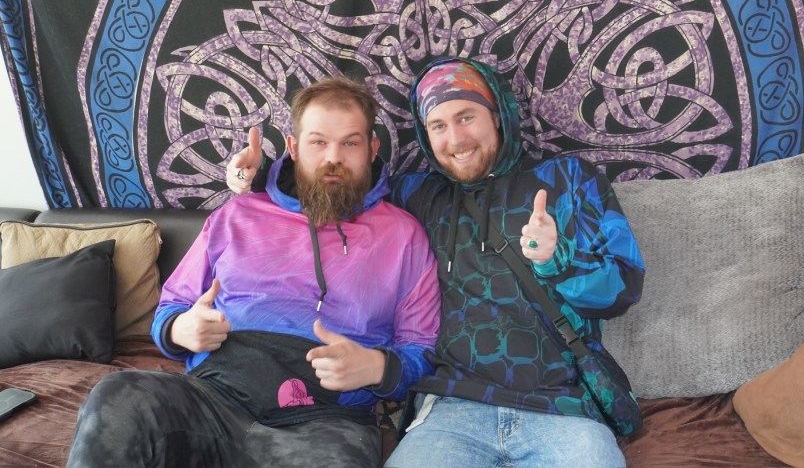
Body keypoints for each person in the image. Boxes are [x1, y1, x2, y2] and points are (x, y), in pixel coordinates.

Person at [229, 59, 645, 468]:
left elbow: (624, 287)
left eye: (467, 117)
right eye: (439, 126)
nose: (456, 139)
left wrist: (557, 262)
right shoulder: (414, 196)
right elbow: (337, 189)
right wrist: (266, 175)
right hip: (450, 410)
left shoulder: (571, 178)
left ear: (497, 116)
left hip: (562, 408)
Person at [67, 76, 440, 468]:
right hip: (213, 398)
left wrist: (377, 367)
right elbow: (173, 306)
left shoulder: (403, 235)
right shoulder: (236, 216)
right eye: (318, 142)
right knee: (118, 395)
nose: (334, 158)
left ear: (371, 148)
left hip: (327, 421)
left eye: (350, 142)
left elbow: (422, 348)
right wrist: (180, 330)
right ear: (294, 148)